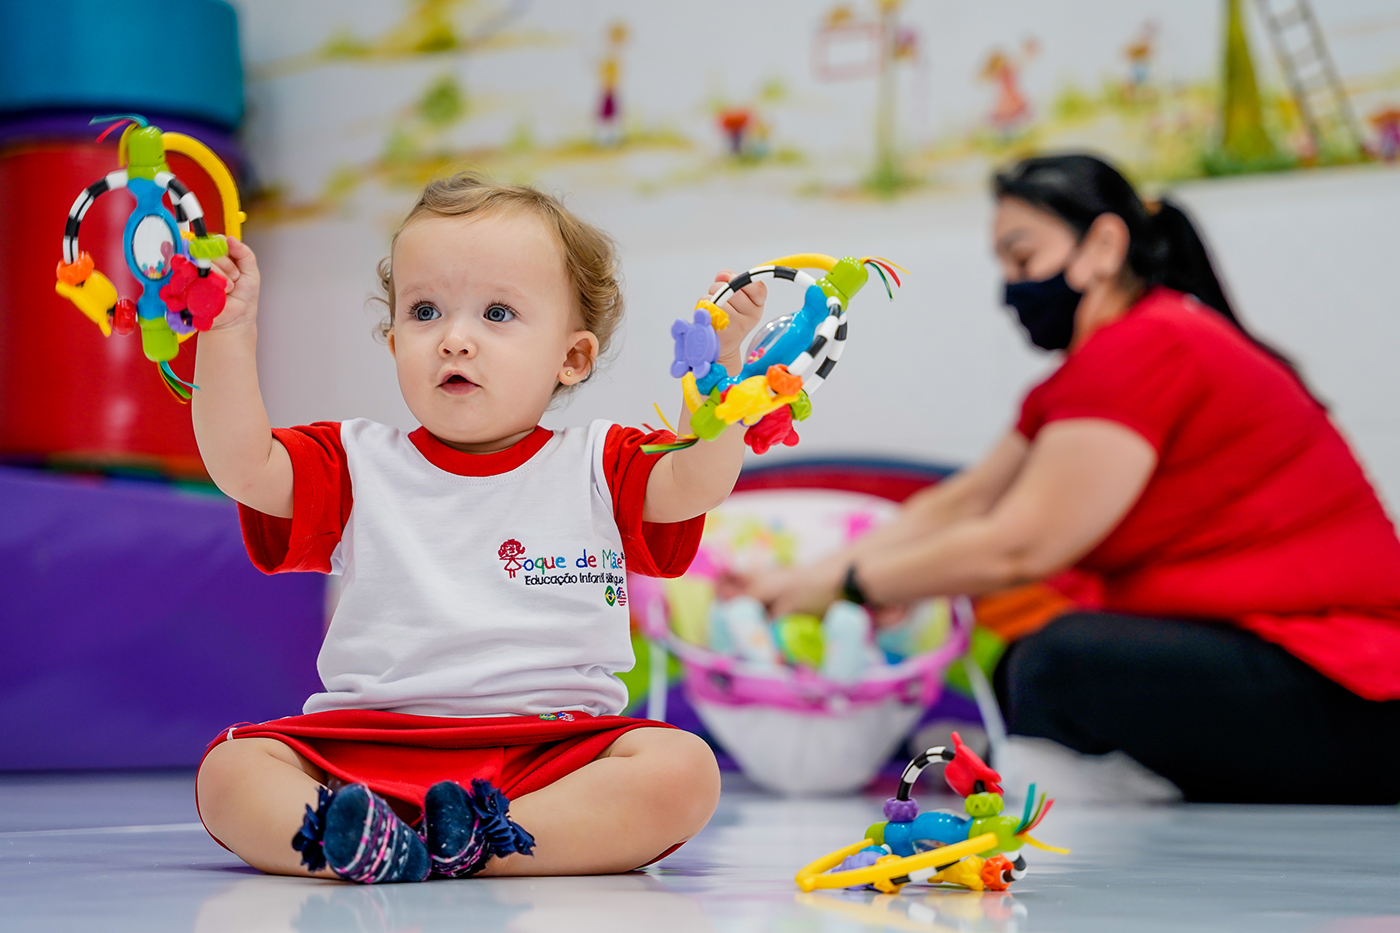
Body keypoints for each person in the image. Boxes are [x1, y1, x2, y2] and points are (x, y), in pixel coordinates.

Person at [747, 154, 1400, 804]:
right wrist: (810, 578)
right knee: (1031, 665)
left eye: (1023, 258)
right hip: (1297, 672)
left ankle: (1088, 779)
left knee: (1058, 661)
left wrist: (848, 584)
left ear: (1105, 246)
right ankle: (1090, 774)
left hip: (1355, 685)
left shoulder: (1150, 345)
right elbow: (965, 500)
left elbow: (1018, 546)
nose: (1010, 287)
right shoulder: (1103, 364)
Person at [192, 173, 770, 882]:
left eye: (497, 314)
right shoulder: (355, 460)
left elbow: (695, 481)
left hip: (547, 757)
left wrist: (724, 371)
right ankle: (360, 838)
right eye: (426, 310)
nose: (455, 340)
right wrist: (225, 334)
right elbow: (243, 467)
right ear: (394, 335)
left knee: (683, 769)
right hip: (370, 748)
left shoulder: (599, 461)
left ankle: (487, 841)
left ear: (572, 356)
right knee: (231, 769)